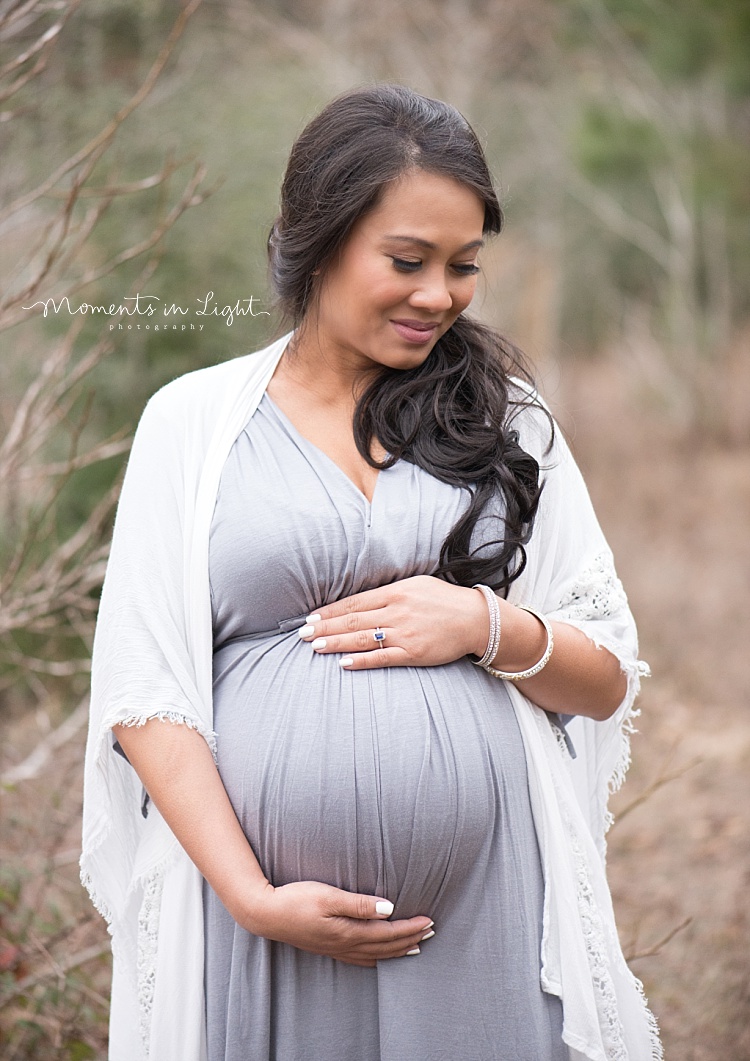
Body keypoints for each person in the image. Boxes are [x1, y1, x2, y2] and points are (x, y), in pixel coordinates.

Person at [81, 84, 662, 1061]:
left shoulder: (503, 419)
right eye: (407, 260)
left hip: (486, 914)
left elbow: (605, 679)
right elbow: (148, 693)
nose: (439, 293)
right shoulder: (192, 424)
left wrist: (487, 624)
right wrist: (254, 896)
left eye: (464, 265)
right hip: (263, 928)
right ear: (317, 240)